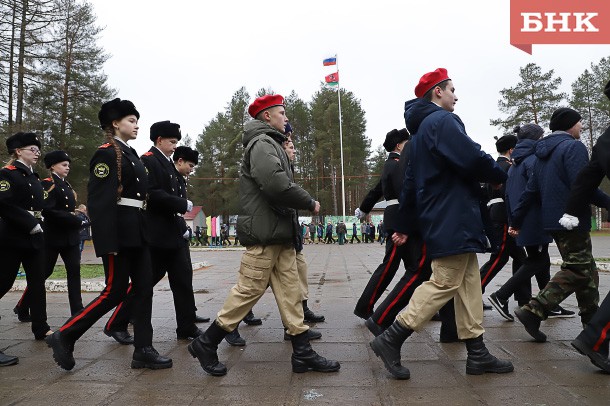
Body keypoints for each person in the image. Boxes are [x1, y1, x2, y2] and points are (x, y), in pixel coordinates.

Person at [370, 68, 513, 379]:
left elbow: (409, 185)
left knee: (468, 283)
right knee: (445, 281)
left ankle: (477, 352)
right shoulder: (443, 121)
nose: (456, 96)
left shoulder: (418, 137)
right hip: (454, 216)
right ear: (437, 92)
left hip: (443, 216)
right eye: (451, 89)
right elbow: (471, 157)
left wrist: (405, 225)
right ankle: (392, 337)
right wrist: (500, 175)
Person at [188, 94, 338, 376]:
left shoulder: (271, 143)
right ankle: (206, 343)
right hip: (265, 234)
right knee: (249, 290)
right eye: (282, 112)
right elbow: (275, 184)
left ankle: (302, 352)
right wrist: (308, 201)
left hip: (278, 233)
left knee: (291, 293)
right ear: (267, 116)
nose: (286, 118)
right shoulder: (261, 144)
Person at [46, 98, 171, 371]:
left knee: (143, 290)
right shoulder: (106, 153)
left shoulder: (130, 153)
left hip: (137, 230)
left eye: (137, 121)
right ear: (115, 123)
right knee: (114, 292)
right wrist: (107, 240)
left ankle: (144, 349)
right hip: (120, 233)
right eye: (131, 120)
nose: (136, 125)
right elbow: (101, 201)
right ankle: (65, 335)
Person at [510, 107, 610, 342]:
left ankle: (590, 327)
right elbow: (583, 184)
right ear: (569, 124)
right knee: (577, 268)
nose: (582, 127)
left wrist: (516, 219)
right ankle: (534, 310)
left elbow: (530, 191)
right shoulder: (573, 147)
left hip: (552, 220)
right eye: (579, 123)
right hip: (571, 218)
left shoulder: (542, 153)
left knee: (587, 271)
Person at [102, 120, 204, 344]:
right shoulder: (148, 161)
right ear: (159, 140)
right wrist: (180, 203)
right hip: (156, 235)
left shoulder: (167, 163)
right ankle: (117, 323)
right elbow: (151, 193)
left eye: (176, 142)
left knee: (183, 280)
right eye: (172, 141)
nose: (175, 146)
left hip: (173, 235)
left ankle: (186, 326)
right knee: (143, 286)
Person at [489, 124, 573, 321]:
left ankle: (548, 304)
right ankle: (501, 295)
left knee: (540, 261)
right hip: (534, 219)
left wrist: (514, 220)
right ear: (536, 138)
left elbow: (509, 195)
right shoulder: (533, 160)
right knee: (537, 260)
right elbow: (537, 192)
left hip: (523, 218)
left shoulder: (516, 164)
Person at [0, 132, 52, 366]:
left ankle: (41, 328)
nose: (37, 152)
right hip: (13, 236)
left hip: (35, 237)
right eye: (32, 148)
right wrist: (29, 223)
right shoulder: (7, 174)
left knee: (37, 282)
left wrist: (39, 225)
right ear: (18, 151)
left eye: (37, 149)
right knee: (3, 283)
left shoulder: (34, 177)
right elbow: (3, 204)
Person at [16, 150, 85, 318]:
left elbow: (66, 210)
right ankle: (22, 305)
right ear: (53, 166)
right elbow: (48, 210)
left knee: (74, 272)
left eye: (68, 165)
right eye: (64, 165)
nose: (67, 168)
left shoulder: (66, 185)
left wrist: (77, 217)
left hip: (71, 237)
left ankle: (77, 310)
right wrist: (74, 220)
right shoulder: (48, 184)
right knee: (43, 273)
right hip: (53, 237)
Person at [353, 128, 410, 319]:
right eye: (406, 142)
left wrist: (364, 208)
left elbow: (376, 190)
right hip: (399, 219)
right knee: (389, 267)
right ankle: (364, 306)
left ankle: (423, 306)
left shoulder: (391, 165)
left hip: (397, 217)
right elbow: (405, 192)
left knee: (416, 269)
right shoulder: (397, 164)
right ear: (398, 145)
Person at [478, 134, 529, 315]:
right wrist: (515, 220)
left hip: (495, 215)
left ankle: (524, 299)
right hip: (504, 217)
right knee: (499, 258)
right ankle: (473, 293)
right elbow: (510, 194)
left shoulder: (494, 166)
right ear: (511, 150)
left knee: (523, 260)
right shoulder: (509, 167)